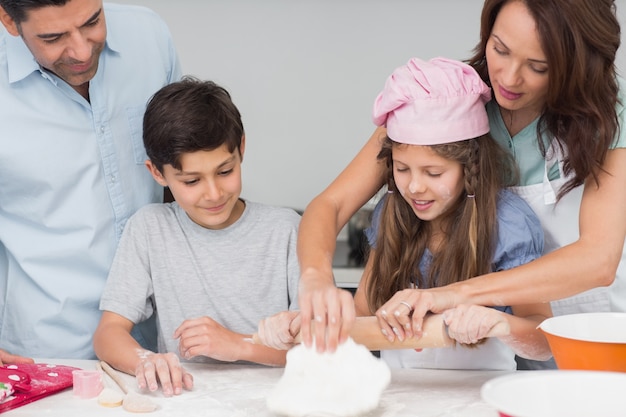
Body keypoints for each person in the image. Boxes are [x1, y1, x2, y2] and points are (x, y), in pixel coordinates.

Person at [294, 0, 626, 364]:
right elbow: (331, 204)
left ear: (575, 67)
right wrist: (314, 278)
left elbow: (598, 260)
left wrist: (454, 295)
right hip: (501, 345)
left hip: (591, 329)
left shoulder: (608, 115)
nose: (509, 77)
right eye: (500, 49)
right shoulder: (447, 103)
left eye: (538, 67)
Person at [257, 57, 552, 370]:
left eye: (434, 173)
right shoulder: (393, 215)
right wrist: (301, 327)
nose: (414, 187)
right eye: (401, 169)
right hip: (399, 395)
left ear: (471, 169)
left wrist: (497, 323)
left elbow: (544, 343)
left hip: (481, 398)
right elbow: (359, 320)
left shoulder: (508, 224)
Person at [93, 77, 301, 396]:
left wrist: (238, 345)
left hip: (277, 401)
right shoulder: (150, 229)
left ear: (241, 148)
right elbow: (108, 333)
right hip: (186, 401)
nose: (214, 193)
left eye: (225, 172)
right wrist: (145, 361)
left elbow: (317, 349)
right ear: (157, 173)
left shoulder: (285, 229)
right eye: (192, 181)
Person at [0, 0, 181, 362]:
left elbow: (179, 173)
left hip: (166, 339)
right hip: (48, 353)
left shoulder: (149, 35)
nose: (82, 50)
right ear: (8, 20)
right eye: (53, 37)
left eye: (93, 21)